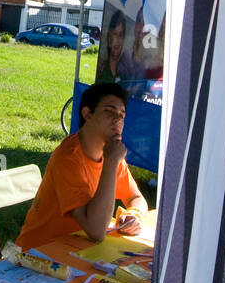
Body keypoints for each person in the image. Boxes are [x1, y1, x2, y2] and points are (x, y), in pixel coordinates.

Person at [17, 82, 149, 249]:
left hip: (79, 249)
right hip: (40, 253)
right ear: (87, 114)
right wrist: (110, 163)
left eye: (122, 115)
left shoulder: (110, 154)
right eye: (109, 111)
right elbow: (96, 231)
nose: (117, 119)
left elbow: (135, 198)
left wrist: (133, 215)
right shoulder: (68, 158)